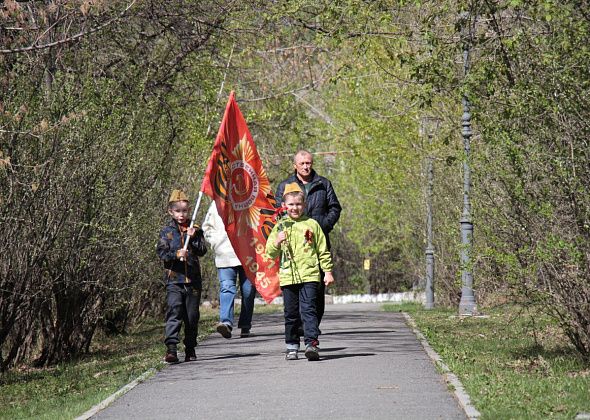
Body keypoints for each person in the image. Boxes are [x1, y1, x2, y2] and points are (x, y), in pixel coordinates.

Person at [266, 183, 335, 361]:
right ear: (284, 206)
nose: (295, 208)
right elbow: (269, 253)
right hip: (288, 277)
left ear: (304, 205)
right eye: (291, 204)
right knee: (291, 313)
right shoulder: (280, 226)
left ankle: (311, 343)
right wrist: (277, 242)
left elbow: (322, 249)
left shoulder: (312, 224)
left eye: (298, 204)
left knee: (309, 310)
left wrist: (327, 271)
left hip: (310, 275)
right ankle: (292, 345)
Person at [275, 150, 341, 326]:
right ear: (295, 165)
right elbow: (278, 212)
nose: (306, 166)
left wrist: (321, 226)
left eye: (309, 163)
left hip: (318, 242)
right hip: (293, 246)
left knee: (316, 289)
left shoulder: (323, 184)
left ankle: (312, 326)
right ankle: (299, 327)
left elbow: (335, 208)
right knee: (295, 289)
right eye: (302, 163)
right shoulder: (285, 185)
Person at [156, 189, 207, 363]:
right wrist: (176, 254)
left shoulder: (195, 230)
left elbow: (202, 251)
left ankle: (190, 348)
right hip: (174, 281)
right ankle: (171, 349)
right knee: (174, 312)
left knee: (191, 317)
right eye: (178, 211)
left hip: (193, 282)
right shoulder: (166, 232)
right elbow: (161, 253)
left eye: (184, 211)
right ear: (171, 211)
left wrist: (193, 238)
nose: (181, 214)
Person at [202, 201, 256, 339]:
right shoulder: (216, 203)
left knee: (248, 291)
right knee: (227, 287)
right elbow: (207, 227)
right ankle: (226, 322)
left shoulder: (248, 200)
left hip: (248, 254)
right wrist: (216, 243)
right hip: (225, 254)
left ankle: (245, 324)